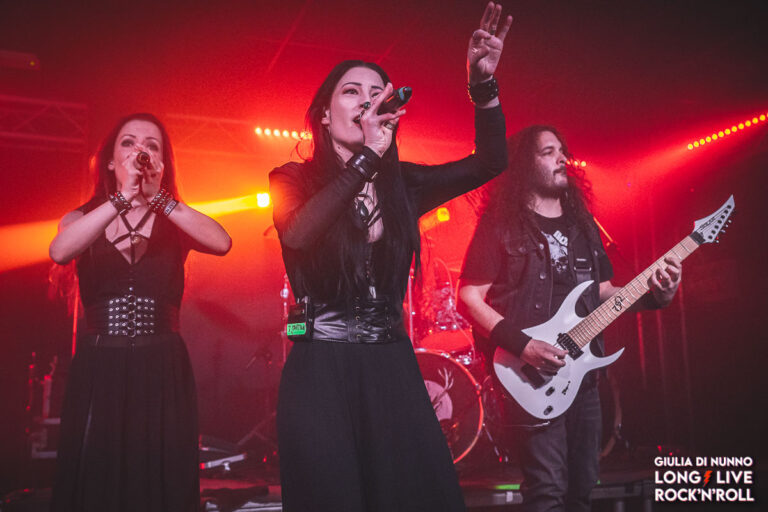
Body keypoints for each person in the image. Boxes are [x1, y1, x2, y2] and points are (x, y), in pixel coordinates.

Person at [268, 3, 513, 510]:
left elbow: (491, 161)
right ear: (323, 113)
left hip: (390, 364)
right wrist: (368, 156)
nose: (365, 100)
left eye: (376, 92)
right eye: (351, 91)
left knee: (413, 494)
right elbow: (300, 234)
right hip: (321, 367)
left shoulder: (403, 184)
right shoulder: (291, 179)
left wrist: (482, 84)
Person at [457, 125, 683, 512]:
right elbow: (468, 298)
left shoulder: (583, 225)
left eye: (562, 150)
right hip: (529, 375)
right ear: (524, 165)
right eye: (548, 152)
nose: (562, 158)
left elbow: (603, 293)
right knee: (547, 493)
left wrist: (656, 296)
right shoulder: (501, 224)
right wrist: (524, 346)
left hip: (583, 378)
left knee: (581, 492)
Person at [49, 112, 231, 512]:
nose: (140, 152)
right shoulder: (81, 217)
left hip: (162, 364)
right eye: (129, 143)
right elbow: (59, 251)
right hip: (100, 364)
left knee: (159, 473)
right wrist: (121, 198)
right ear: (110, 161)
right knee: (97, 473)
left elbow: (222, 242)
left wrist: (157, 197)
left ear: (163, 163)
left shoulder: (175, 218)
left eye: (152, 146)